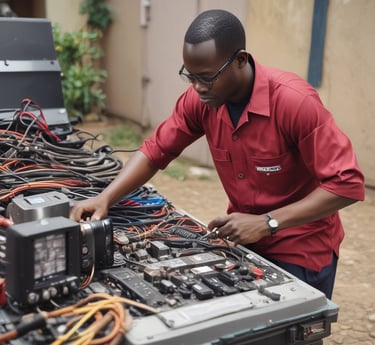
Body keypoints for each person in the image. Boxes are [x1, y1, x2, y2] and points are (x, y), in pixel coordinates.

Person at [70, 9, 365, 299]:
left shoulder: (294, 102)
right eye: (190, 76)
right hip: (242, 238)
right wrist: (105, 197)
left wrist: (266, 223)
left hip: (300, 247)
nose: (197, 87)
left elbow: (347, 184)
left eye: (207, 77)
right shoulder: (202, 100)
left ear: (239, 60)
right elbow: (156, 149)